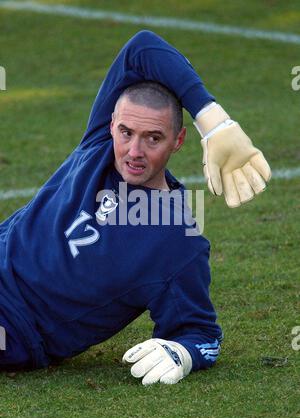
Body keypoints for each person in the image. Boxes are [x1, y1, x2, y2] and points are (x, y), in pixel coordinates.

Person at [0, 30, 271, 385]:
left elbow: (202, 333)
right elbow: (142, 47)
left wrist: (184, 353)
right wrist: (214, 120)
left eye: (153, 138)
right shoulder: (99, 143)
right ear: (111, 124)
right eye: (126, 132)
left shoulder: (176, 242)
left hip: (14, 326)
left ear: (178, 141)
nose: (134, 151)